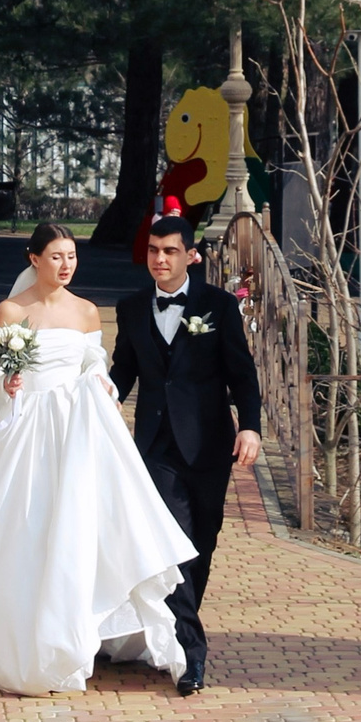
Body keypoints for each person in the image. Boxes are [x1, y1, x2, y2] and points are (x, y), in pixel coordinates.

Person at [0, 223, 195, 696]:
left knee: (80, 524)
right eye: (56, 256)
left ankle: (80, 625)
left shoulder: (87, 311)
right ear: (34, 259)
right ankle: (14, 636)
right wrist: (5, 381)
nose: (66, 265)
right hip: (28, 429)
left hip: (76, 429)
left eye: (72, 255)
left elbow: (95, 363)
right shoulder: (12, 309)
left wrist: (103, 384)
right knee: (21, 526)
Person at [109, 213, 261, 696]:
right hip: (154, 448)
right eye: (153, 250)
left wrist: (251, 427)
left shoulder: (217, 305)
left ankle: (174, 632)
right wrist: (99, 395)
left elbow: (243, 373)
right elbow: (123, 371)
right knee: (170, 546)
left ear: (190, 255)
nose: (159, 259)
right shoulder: (131, 308)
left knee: (201, 545)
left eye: (170, 251)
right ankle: (190, 656)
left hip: (210, 443)